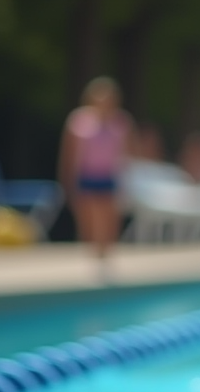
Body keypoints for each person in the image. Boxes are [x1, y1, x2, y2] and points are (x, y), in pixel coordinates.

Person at [58, 77, 134, 260]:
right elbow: (68, 156)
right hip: (87, 176)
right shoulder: (78, 121)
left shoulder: (121, 122)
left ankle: (106, 260)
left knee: (110, 224)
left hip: (110, 177)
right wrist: (66, 183)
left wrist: (128, 183)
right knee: (89, 224)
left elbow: (129, 154)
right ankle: (91, 261)